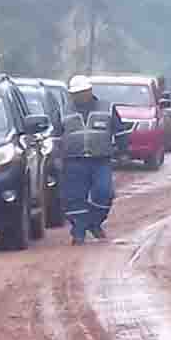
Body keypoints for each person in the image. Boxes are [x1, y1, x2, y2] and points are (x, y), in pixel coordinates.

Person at [55, 75, 129, 244]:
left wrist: (123, 152)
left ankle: (94, 223)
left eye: (82, 92)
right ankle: (78, 232)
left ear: (89, 91)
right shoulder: (63, 111)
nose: (79, 96)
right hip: (73, 161)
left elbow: (120, 132)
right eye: (75, 93)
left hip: (100, 160)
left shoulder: (107, 108)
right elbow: (56, 137)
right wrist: (56, 157)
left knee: (105, 193)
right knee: (74, 198)